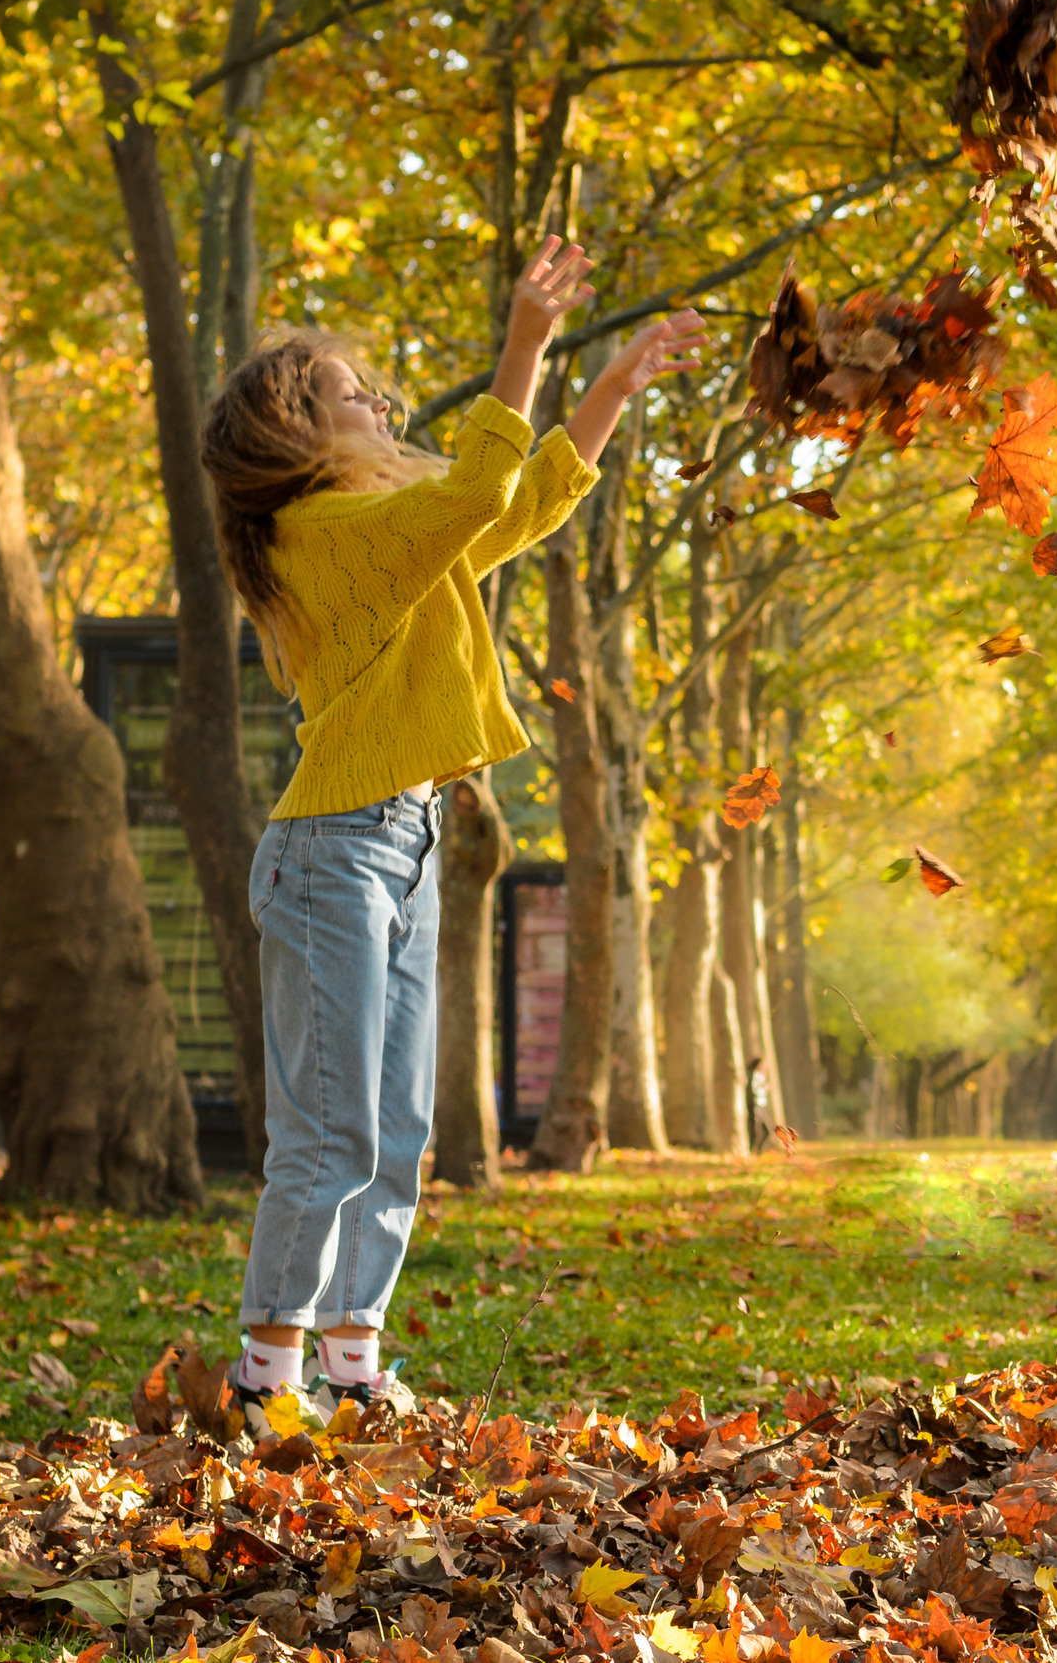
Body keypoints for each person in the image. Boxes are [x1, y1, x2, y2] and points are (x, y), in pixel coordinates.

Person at [202, 235, 704, 1420]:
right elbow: (483, 489)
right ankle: (263, 1380)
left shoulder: (394, 528)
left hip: (405, 842)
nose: (377, 401)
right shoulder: (316, 537)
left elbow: (512, 507)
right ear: (291, 431)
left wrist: (613, 385)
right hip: (334, 849)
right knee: (330, 1131)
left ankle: (351, 1366)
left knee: (398, 1131)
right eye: (347, 391)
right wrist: (522, 343)